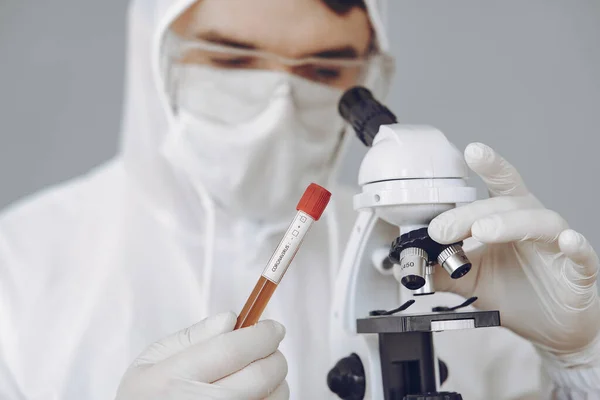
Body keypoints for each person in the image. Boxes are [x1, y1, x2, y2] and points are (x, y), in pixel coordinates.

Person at [0, 0, 598, 398]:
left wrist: (582, 361)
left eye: (323, 70)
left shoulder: (442, 267)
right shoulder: (18, 271)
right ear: (150, 52)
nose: (280, 106)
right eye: (232, 59)